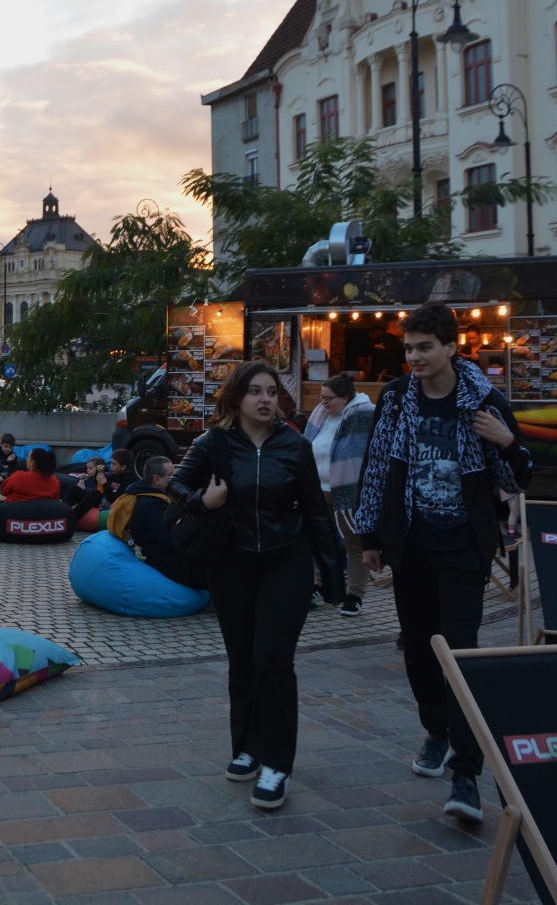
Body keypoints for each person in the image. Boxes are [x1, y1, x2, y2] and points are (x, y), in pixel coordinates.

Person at [354, 303, 531, 824]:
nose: (414, 357)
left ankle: (466, 775)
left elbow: (521, 476)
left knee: (461, 654)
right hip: (411, 545)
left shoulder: (484, 400)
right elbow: (377, 468)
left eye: (424, 347)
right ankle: (435, 729)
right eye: (408, 348)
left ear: (452, 347)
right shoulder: (394, 400)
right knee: (418, 650)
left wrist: (508, 440)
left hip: (463, 548)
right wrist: (372, 535)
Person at [173, 361, 342, 811]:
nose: (266, 399)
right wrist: (202, 501)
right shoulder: (214, 443)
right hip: (231, 564)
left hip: (286, 562)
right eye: (255, 392)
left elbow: (316, 511)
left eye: (272, 392)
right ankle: (246, 747)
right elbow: (175, 486)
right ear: (236, 399)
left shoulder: (294, 445)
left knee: (273, 660)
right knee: (243, 661)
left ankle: (277, 763)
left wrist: (333, 574)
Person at [304, 375, 377, 617]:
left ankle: (355, 595)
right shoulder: (320, 413)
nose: (322, 402)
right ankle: (318, 584)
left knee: (354, 543)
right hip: (318, 488)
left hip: (349, 491)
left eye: (328, 398)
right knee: (317, 540)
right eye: (321, 397)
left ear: (345, 398)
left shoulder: (366, 413)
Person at [122, 458, 194, 585]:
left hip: (159, 555)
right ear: (157, 479)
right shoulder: (153, 505)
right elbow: (172, 543)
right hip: (162, 562)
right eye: (171, 475)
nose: (175, 479)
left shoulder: (143, 494)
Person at [0, 446, 62, 518]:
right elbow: (55, 501)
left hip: (16, 511)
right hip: (40, 512)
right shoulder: (54, 480)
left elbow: (4, 490)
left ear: (33, 463)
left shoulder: (20, 476)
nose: (26, 460)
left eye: (28, 458)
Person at [70, 448, 140, 523]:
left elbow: (114, 498)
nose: (111, 466)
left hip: (111, 502)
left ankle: (72, 518)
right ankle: (62, 512)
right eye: (111, 463)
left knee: (95, 493)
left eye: (114, 464)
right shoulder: (114, 476)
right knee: (74, 489)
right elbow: (96, 482)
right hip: (104, 498)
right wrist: (99, 472)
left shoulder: (129, 480)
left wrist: (105, 483)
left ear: (123, 467)